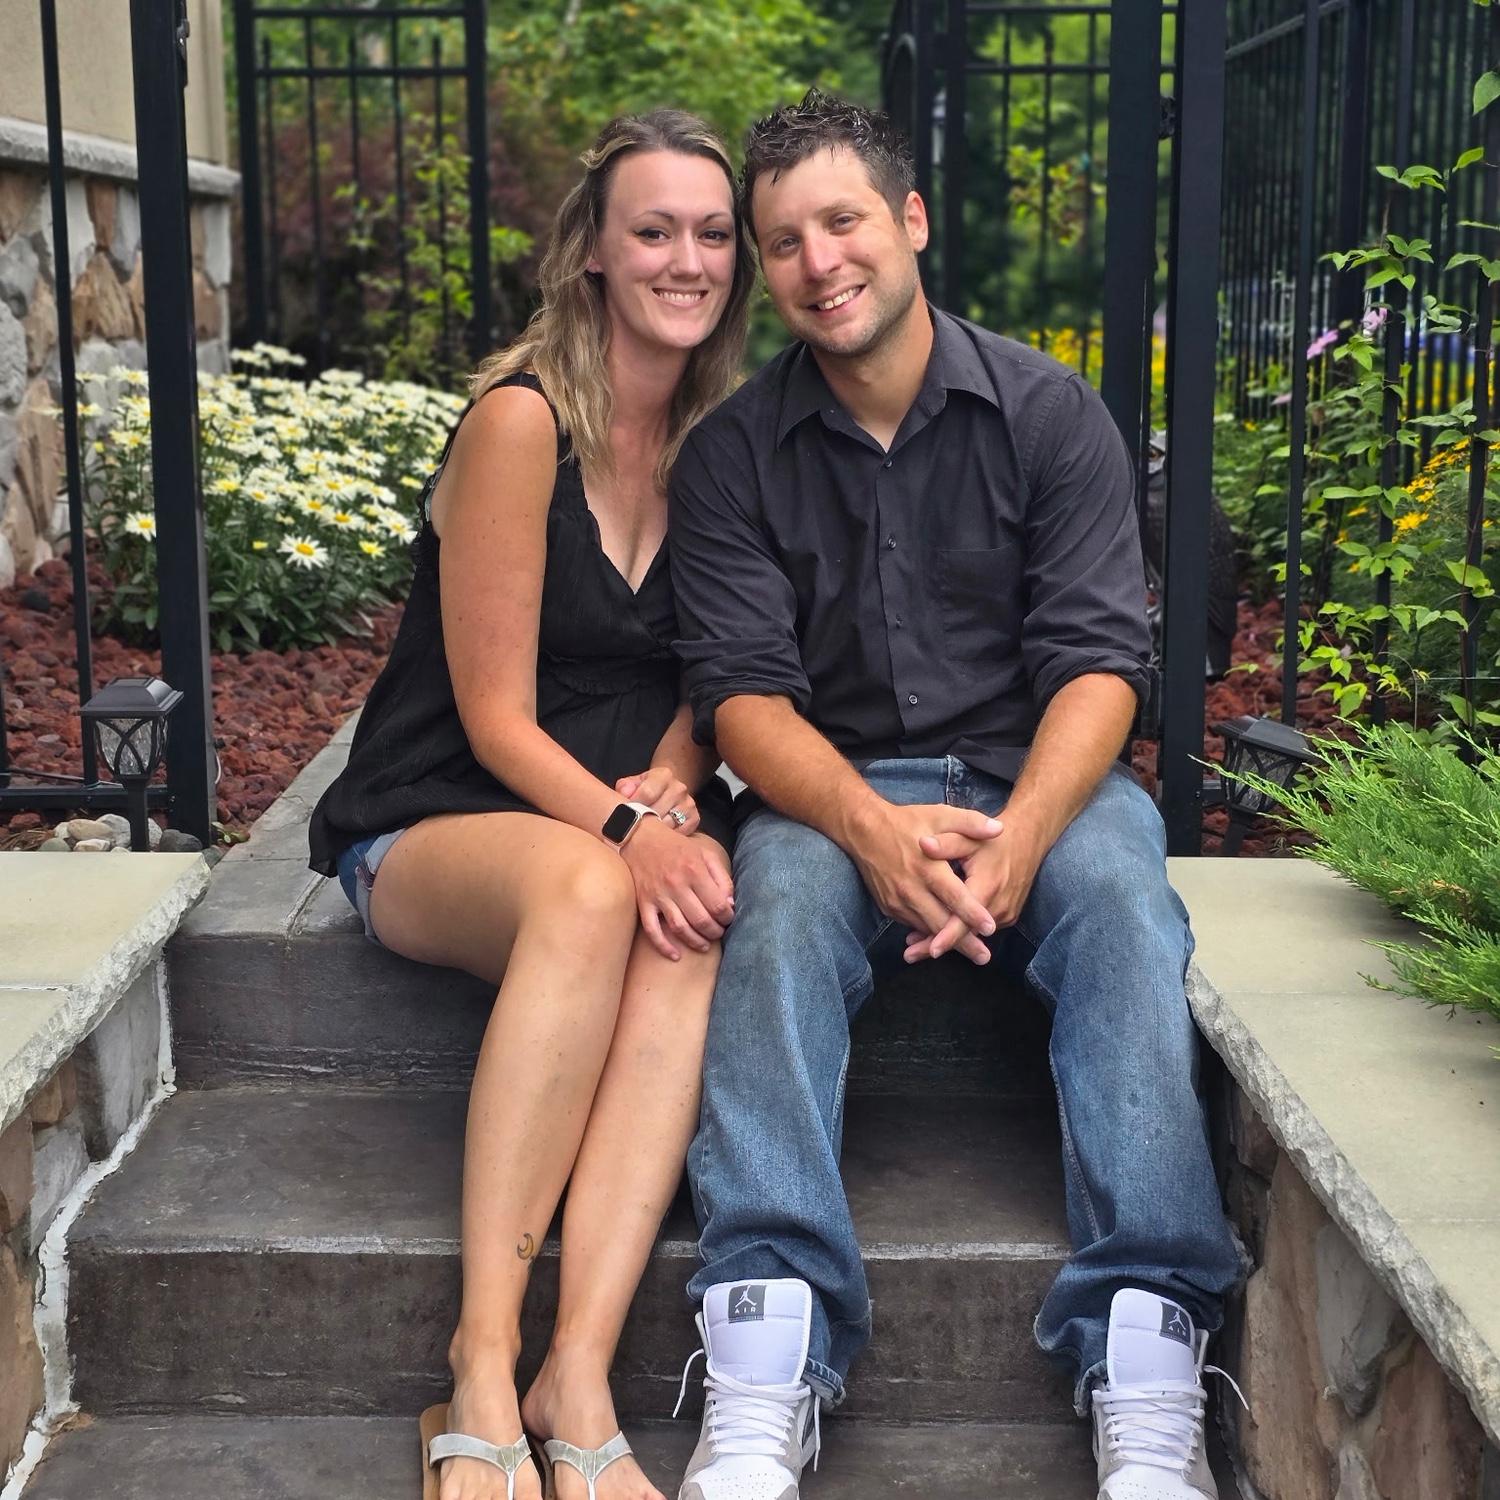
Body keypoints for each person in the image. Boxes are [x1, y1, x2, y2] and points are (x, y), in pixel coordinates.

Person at [666, 90, 1242, 1500]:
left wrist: (1023, 837)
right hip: (834, 790)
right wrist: (871, 829)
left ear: (910, 221)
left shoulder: (1048, 415)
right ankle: (768, 1346)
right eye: (783, 241)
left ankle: (1145, 1352)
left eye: (843, 221)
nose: (820, 263)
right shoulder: (734, 454)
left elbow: (1101, 666)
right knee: (772, 916)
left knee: (1122, 903)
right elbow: (743, 701)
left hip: (1037, 778)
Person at [307, 109, 755, 1500]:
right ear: (594, 254)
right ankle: (484, 1364)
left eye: (712, 234)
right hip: (440, 814)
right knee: (593, 891)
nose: (687, 259)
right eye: (654, 230)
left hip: (616, 816)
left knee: (689, 924)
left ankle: (579, 1375)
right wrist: (629, 833)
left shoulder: (725, 443)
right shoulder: (519, 423)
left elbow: (721, 664)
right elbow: (494, 718)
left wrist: (676, 783)